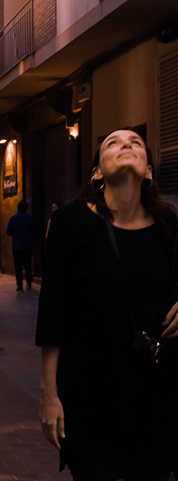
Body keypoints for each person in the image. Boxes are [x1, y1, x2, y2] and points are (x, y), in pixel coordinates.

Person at [36, 128, 178, 481]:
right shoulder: (71, 222)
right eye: (112, 143)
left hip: (155, 386)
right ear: (97, 172)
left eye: (135, 142)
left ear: (148, 171)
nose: (125, 145)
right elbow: (53, 309)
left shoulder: (167, 223)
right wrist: (48, 394)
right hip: (88, 388)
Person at [6, 200, 35, 291]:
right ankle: (29, 281)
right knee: (28, 264)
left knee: (18, 266)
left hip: (17, 246)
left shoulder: (13, 219)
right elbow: (34, 232)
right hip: (27, 245)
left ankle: (20, 285)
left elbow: (8, 232)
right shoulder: (30, 219)